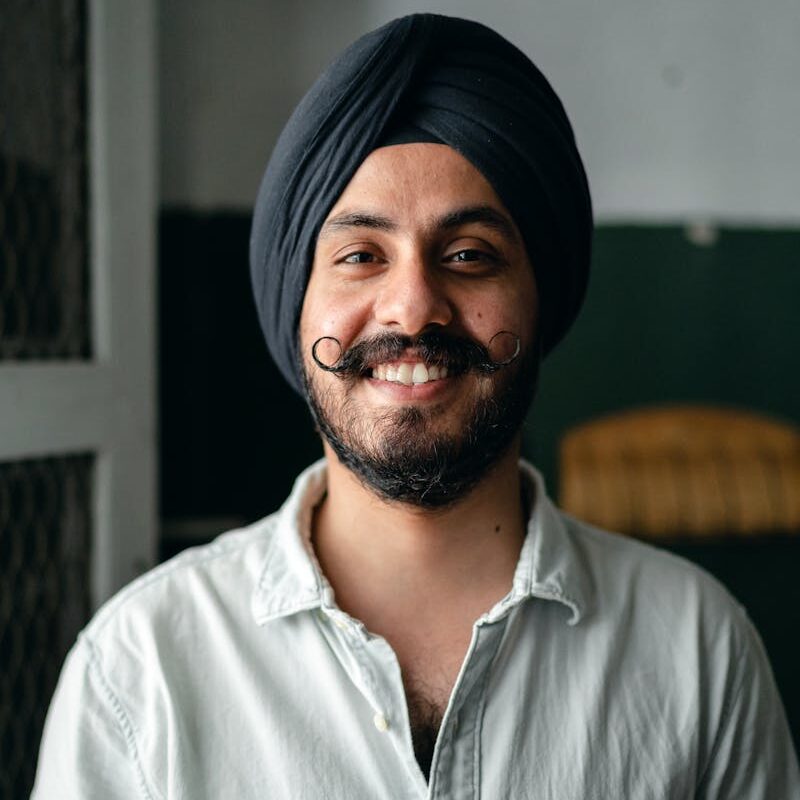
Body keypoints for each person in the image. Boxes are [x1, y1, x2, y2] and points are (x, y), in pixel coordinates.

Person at [34, 14, 799, 799]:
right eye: (361, 256)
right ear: (296, 305)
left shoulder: (698, 652)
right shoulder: (140, 673)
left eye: (469, 255)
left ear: (541, 300)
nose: (413, 308)